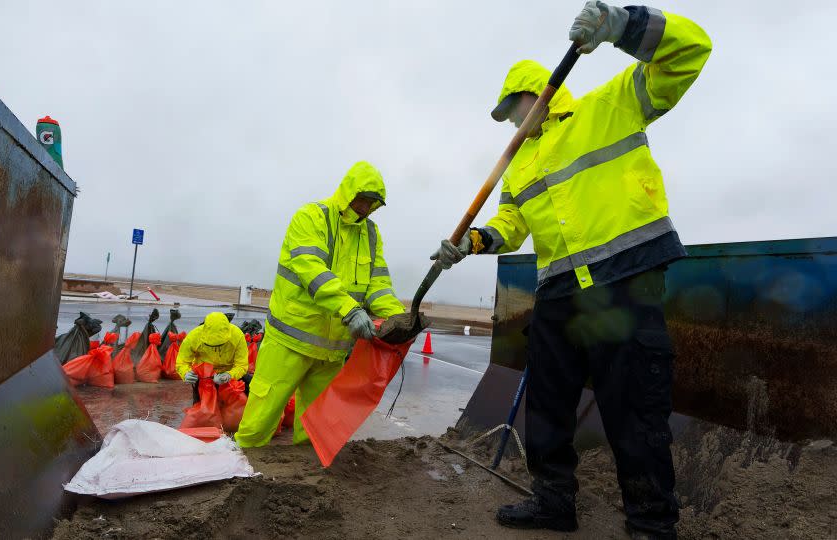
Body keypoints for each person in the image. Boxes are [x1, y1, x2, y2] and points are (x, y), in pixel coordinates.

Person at [432, 3, 711, 538]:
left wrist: (624, 25)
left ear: (535, 94)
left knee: (633, 407)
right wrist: (470, 241)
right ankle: (553, 502)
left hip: (623, 276)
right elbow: (510, 224)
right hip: (559, 289)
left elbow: (690, 52)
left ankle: (652, 523)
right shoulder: (521, 161)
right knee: (549, 402)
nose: (512, 122)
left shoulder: (609, 106)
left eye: (512, 109)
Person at [235, 161, 405, 447]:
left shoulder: (371, 235)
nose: (365, 207)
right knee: (258, 423)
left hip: (331, 350)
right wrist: (350, 308)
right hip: (290, 340)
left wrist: (399, 318)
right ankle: (241, 475)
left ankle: (306, 482)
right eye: (363, 199)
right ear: (348, 192)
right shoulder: (311, 217)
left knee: (314, 431)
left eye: (372, 203)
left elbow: (378, 286)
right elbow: (312, 270)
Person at [176, 312, 249, 397]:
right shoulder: (193, 337)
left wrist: (229, 375)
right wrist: (185, 373)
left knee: (232, 407)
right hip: (203, 379)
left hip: (229, 378)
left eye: (221, 344)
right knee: (203, 409)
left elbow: (241, 365)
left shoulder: (237, 336)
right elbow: (182, 362)